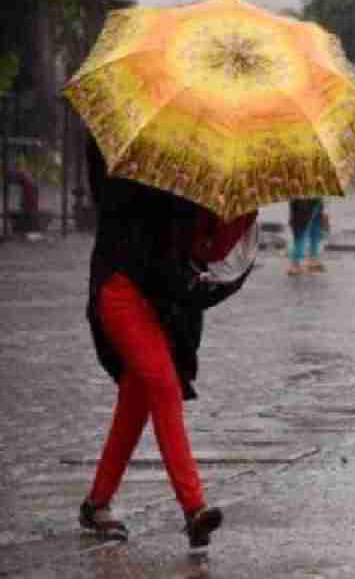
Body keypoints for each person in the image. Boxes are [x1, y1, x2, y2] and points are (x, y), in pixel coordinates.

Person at [80, 140, 258, 551]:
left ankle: (96, 503)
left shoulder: (190, 159)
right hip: (119, 287)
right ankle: (194, 508)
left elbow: (199, 246)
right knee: (163, 386)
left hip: (163, 301)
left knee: (136, 400)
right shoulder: (120, 150)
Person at [287, 198, 325, 275]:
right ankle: (295, 264)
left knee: (315, 228)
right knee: (301, 231)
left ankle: (313, 258)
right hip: (304, 201)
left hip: (315, 199)